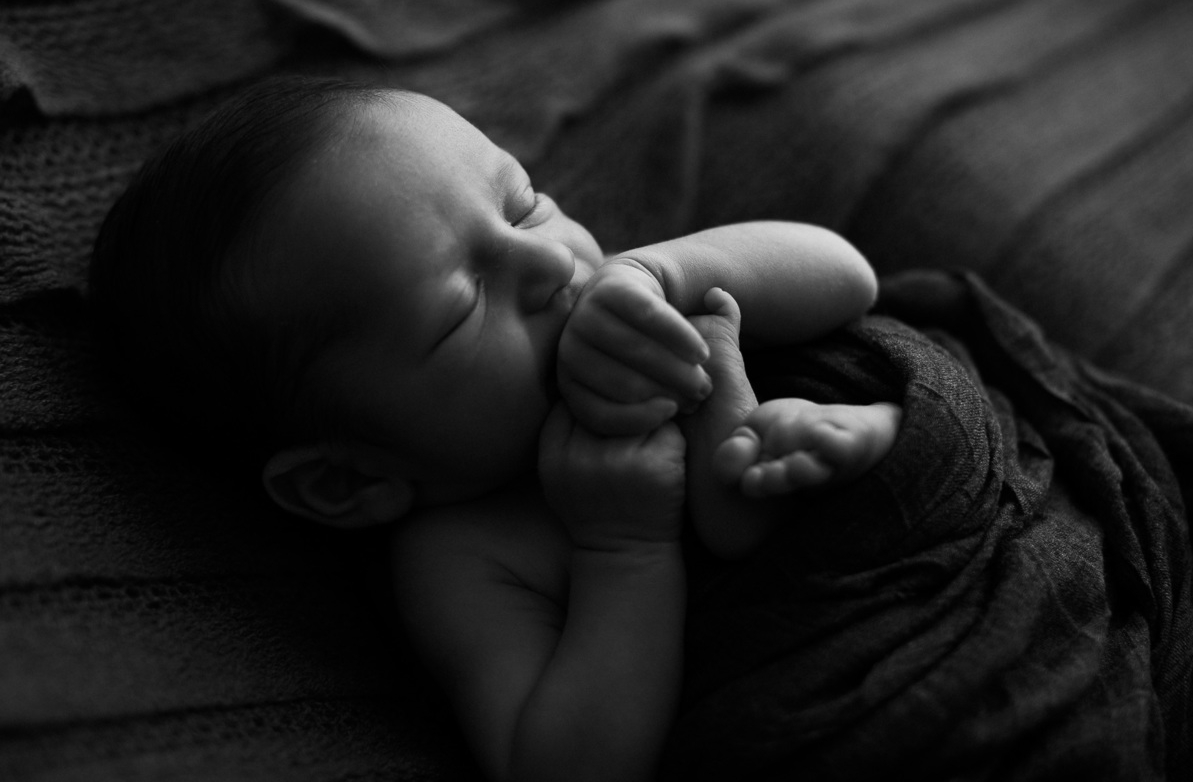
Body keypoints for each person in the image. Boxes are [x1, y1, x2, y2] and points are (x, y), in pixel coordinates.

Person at [88, 76, 901, 782]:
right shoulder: (466, 554)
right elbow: (562, 767)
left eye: (524, 203)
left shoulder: (649, 297)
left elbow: (847, 277)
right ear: (349, 479)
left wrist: (664, 272)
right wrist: (626, 548)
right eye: (464, 304)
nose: (546, 261)